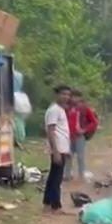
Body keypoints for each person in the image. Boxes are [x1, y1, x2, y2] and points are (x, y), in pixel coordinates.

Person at [43, 85, 72, 213]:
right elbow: (51, 130)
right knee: (57, 178)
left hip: (62, 147)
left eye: (68, 95)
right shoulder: (54, 110)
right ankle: (56, 206)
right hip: (57, 148)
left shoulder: (60, 109)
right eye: (63, 94)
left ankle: (47, 203)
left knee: (53, 176)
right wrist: (55, 151)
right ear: (57, 95)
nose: (66, 97)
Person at [64, 90, 99, 181]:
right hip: (67, 136)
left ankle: (81, 175)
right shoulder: (66, 108)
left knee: (80, 156)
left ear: (80, 98)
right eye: (73, 97)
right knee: (68, 156)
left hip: (79, 136)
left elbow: (94, 122)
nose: (74, 99)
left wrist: (84, 130)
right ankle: (67, 175)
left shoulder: (84, 109)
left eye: (77, 97)